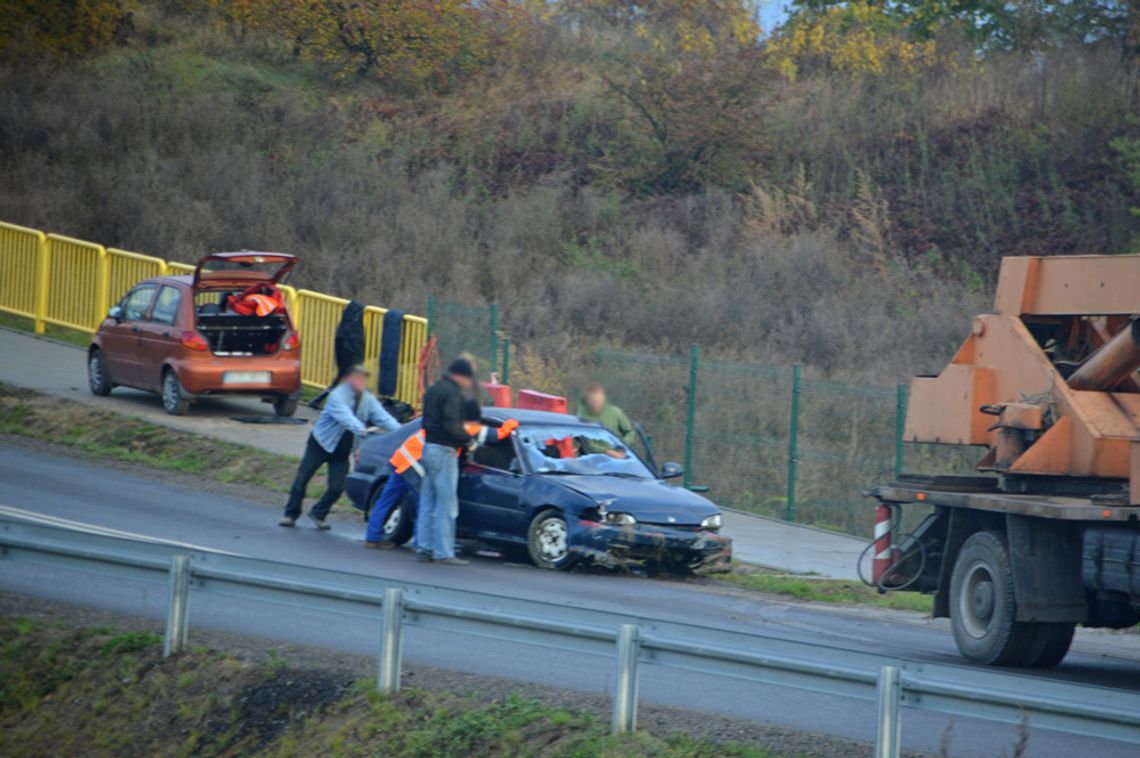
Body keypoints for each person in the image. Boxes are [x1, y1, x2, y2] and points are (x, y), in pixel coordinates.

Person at [364, 402, 518, 549]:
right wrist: (507, 427)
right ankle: (422, 544)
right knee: (425, 504)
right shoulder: (467, 425)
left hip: (403, 456)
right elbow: (492, 435)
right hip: (416, 464)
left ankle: (372, 537)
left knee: (388, 498)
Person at [280, 364, 399, 529]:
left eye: (363, 378)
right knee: (302, 479)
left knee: (337, 487)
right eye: (357, 378)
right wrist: (363, 430)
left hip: (341, 450)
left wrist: (403, 432)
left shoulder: (368, 400)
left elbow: (384, 418)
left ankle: (319, 513)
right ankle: (290, 514)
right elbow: (346, 418)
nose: (360, 382)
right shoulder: (337, 396)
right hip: (321, 443)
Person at [415, 358, 478, 565]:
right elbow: (451, 425)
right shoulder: (452, 393)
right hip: (445, 451)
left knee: (427, 502)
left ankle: (423, 549)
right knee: (446, 505)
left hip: (429, 447)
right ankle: (443, 553)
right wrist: (468, 441)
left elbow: (426, 420)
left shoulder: (434, 390)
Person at [310, 300, 365, 410]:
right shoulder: (354, 328)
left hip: (343, 350)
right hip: (351, 352)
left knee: (342, 376)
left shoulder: (343, 326)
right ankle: (352, 407)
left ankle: (320, 399)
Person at [577, 383, 637, 453]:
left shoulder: (615, 412)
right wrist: (608, 452)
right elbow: (588, 444)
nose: (596, 404)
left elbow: (630, 432)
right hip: (591, 459)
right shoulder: (582, 417)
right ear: (587, 401)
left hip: (615, 458)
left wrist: (622, 445)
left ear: (603, 398)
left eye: (598, 400)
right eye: (593, 401)